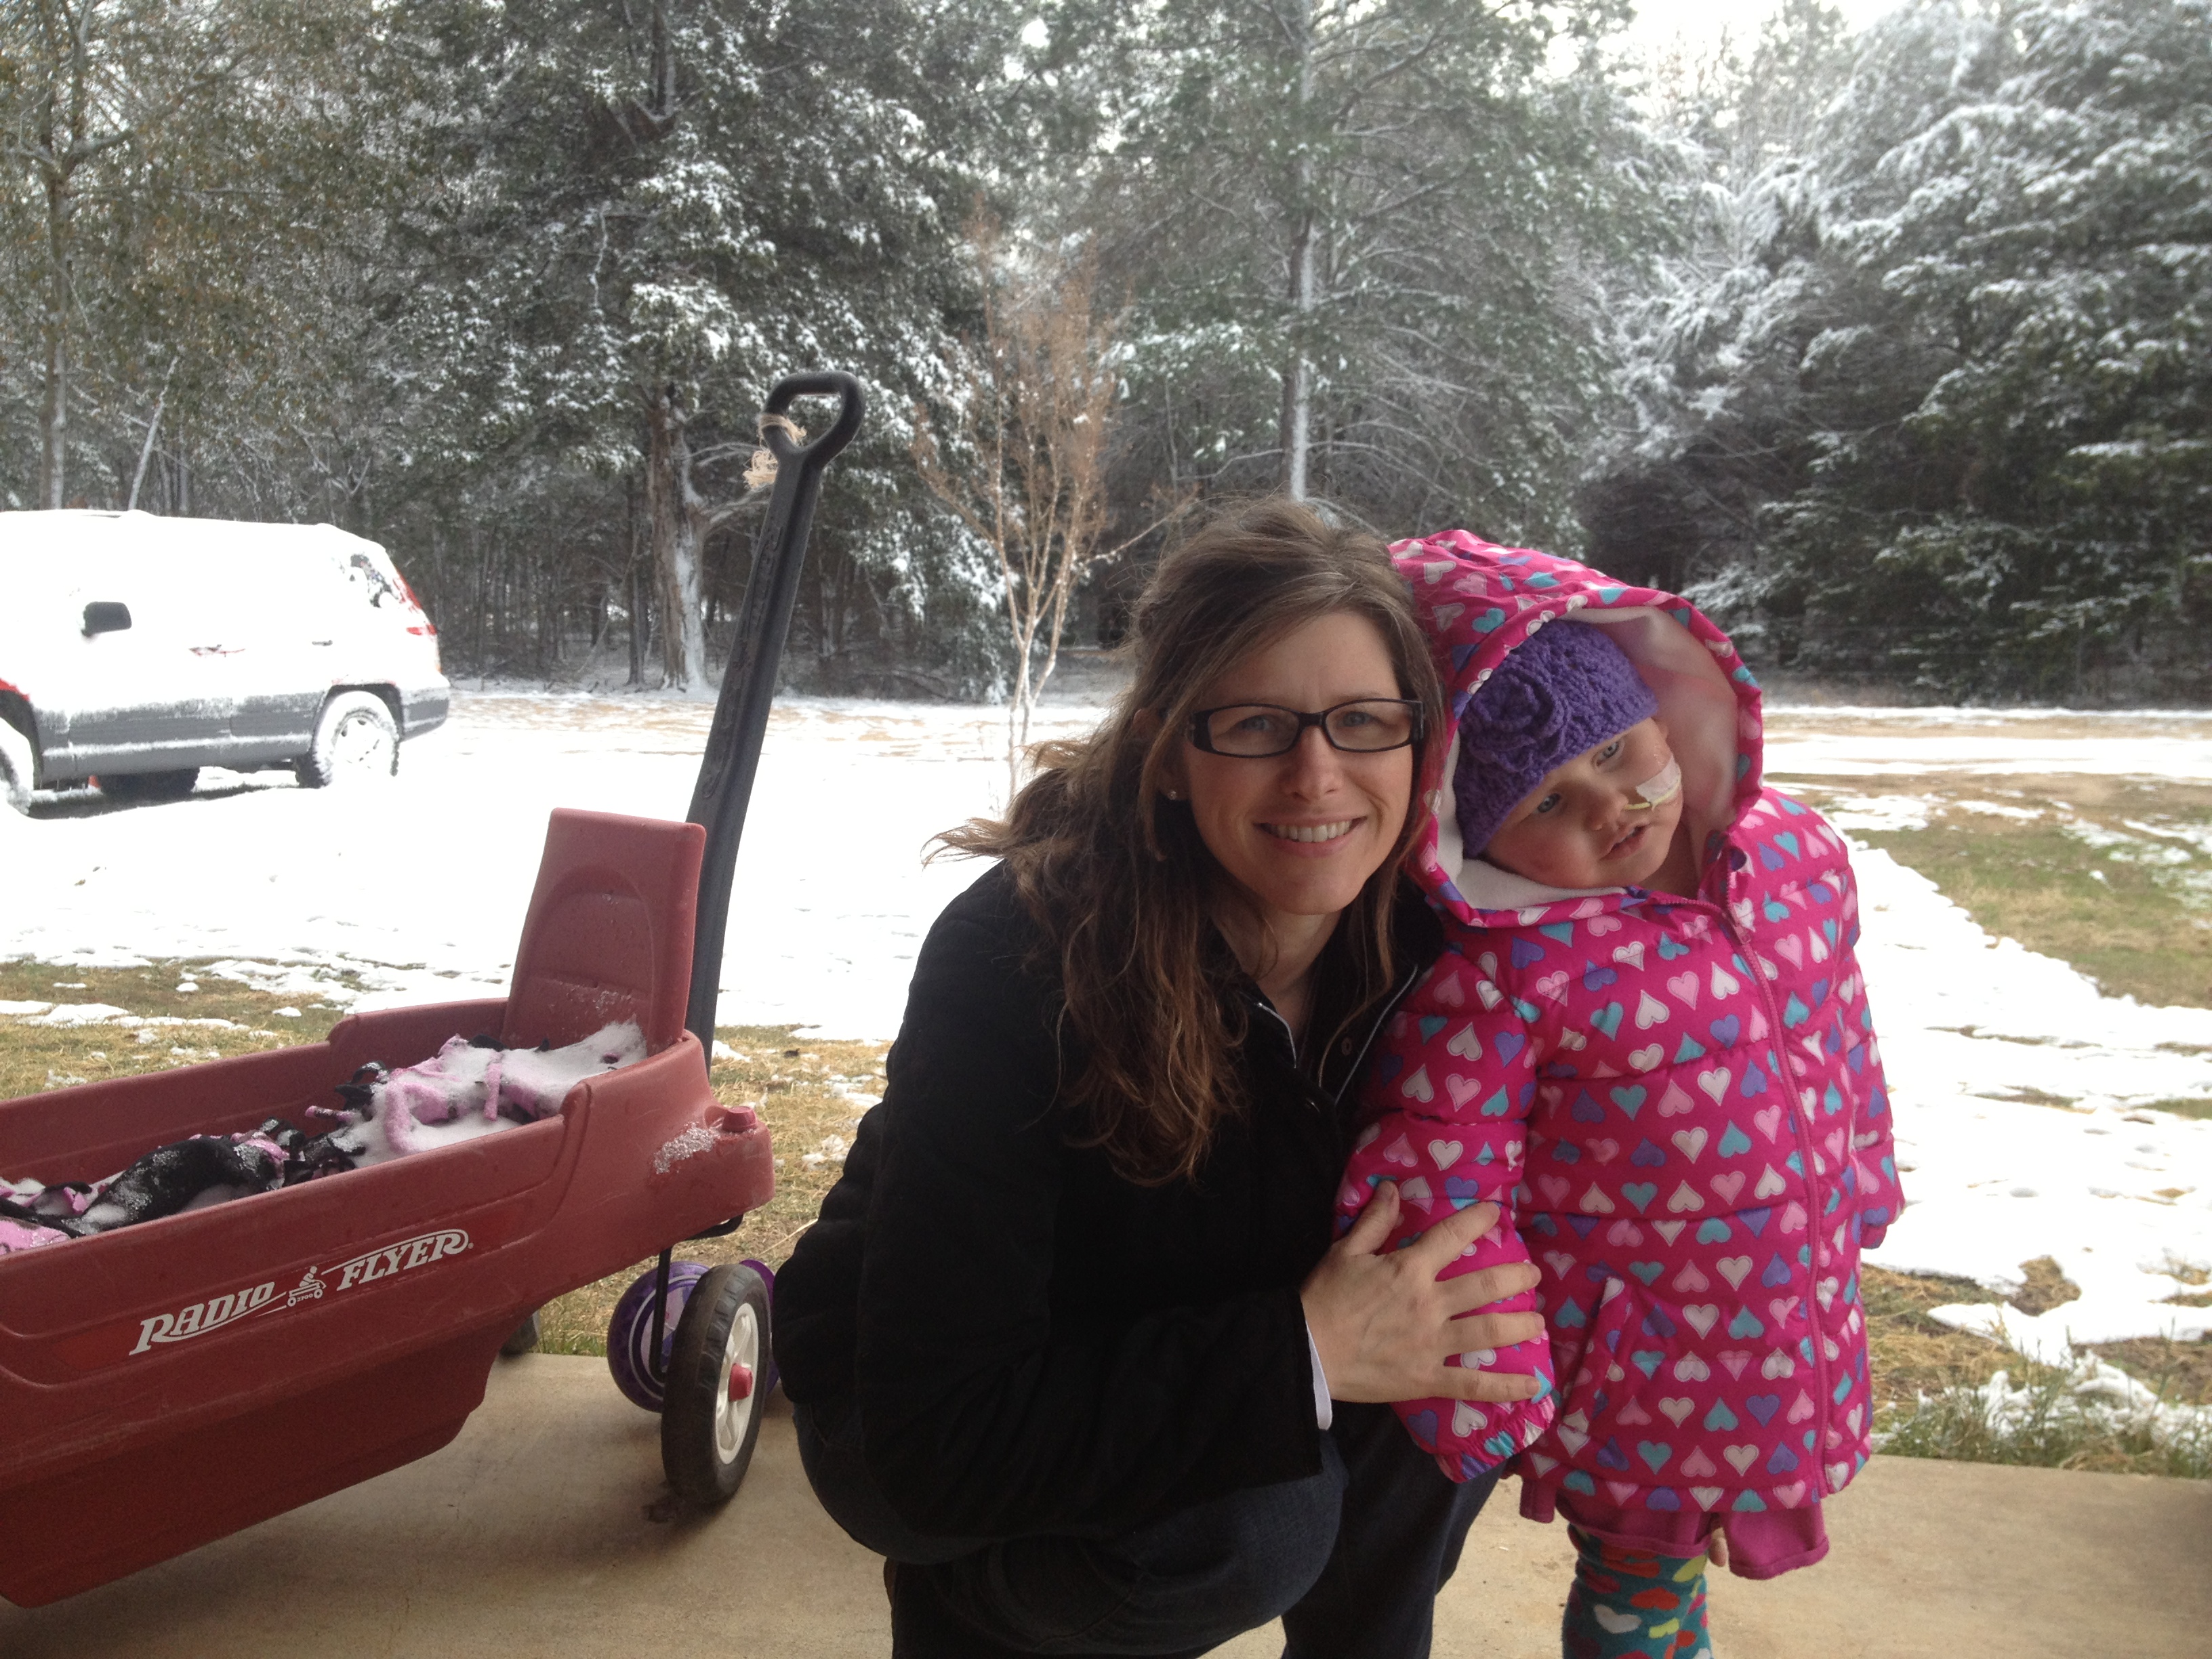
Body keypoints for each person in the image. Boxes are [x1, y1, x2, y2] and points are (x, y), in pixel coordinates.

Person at [771, 501, 1547, 1658]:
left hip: (1207, 1331)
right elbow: (940, 1432)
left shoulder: (1443, 944)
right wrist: (1305, 1353)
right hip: (925, 1418)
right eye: (1256, 725)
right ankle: (976, 1610)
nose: (1317, 775)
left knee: (1455, 1352)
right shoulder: (1021, 955)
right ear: (1171, 752)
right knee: (1249, 1526)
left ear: (1419, 742)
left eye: (1363, 722)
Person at [1336, 529, 1902, 1658]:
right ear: (1473, 834)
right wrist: (1477, 1374)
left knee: (1690, 1564)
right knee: (1641, 1571)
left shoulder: (1794, 858)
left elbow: (1841, 1032)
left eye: (1616, 749)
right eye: (1547, 802)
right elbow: (1440, 1177)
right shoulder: (1507, 975)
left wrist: (1863, 1182)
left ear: (1666, 719)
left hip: (1791, 1302)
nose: (1609, 806)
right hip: (1635, 1357)